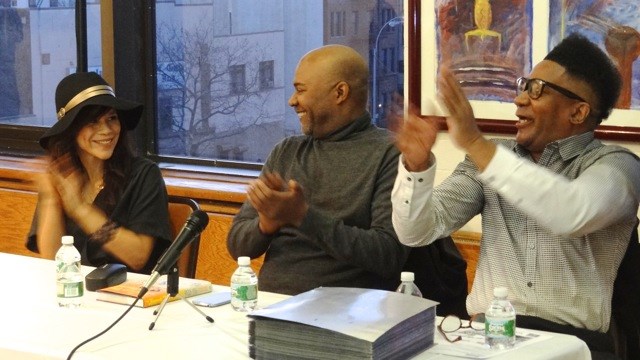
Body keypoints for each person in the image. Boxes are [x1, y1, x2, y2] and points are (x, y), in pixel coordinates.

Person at [391, 33, 640, 357]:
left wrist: (475, 142)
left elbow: (571, 211)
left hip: (573, 348)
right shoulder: (490, 161)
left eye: (536, 90)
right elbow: (415, 231)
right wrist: (417, 164)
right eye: (524, 86)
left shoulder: (619, 167)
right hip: (487, 337)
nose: (520, 100)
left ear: (578, 112)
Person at [226, 45, 409, 295]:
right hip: (271, 306)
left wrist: (303, 216)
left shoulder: (390, 154)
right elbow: (238, 247)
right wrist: (266, 225)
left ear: (340, 93)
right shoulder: (287, 151)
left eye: (300, 90)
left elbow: (387, 255)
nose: (292, 101)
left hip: (348, 315)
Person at [27, 72, 171, 274]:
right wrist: (51, 198)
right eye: (93, 121)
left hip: (130, 296)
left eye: (112, 118)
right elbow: (52, 258)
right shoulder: (62, 174)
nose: (107, 130)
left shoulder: (144, 174)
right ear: (71, 129)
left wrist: (80, 209)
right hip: (77, 291)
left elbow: (138, 257)